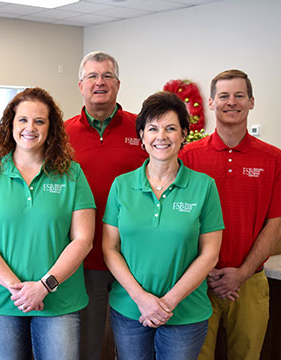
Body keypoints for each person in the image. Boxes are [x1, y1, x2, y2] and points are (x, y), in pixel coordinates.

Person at [0, 87, 95, 360]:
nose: (30, 127)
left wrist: (44, 286)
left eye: (40, 121)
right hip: (2, 299)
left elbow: (83, 239)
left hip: (59, 300)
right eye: (22, 120)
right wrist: (17, 287)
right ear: (10, 125)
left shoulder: (71, 174)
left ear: (52, 128)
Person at [179, 70, 281, 359]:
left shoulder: (273, 158)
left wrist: (242, 273)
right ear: (210, 102)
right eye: (223, 96)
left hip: (250, 281)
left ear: (251, 102)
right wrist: (200, 272)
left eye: (239, 95)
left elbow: (275, 222)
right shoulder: (189, 156)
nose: (231, 102)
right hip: (196, 282)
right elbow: (178, 220)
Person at [102, 91, 224, 359]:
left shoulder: (204, 187)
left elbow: (209, 254)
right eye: (153, 129)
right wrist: (142, 299)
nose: (161, 137)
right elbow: (110, 248)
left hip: (185, 312)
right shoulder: (122, 185)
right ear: (142, 136)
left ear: (183, 134)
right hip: (130, 308)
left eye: (171, 128)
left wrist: (167, 303)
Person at [64, 50, 148, 359]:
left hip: (136, 260)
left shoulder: (144, 130)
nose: (100, 82)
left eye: (107, 76)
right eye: (92, 76)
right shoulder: (61, 133)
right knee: (89, 345)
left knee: (134, 346)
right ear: (80, 85)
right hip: (84, 261)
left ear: (118, 83)